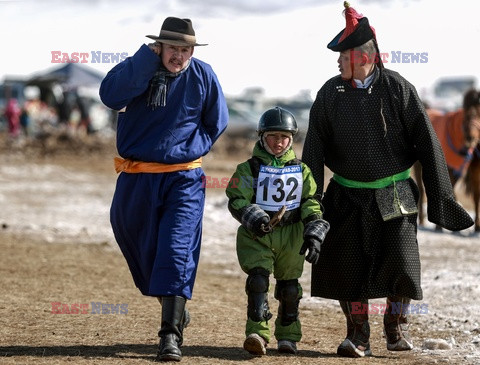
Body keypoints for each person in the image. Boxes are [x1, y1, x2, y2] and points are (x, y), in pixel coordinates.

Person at [302, 1, 474, 358]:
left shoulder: (399, 88)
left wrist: (442, 198)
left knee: (403, 263)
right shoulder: (329, 94)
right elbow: (314, 152)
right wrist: (311, 203)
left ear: (363, 57)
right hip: (346, 196)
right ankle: (358, 334)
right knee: (349, 268)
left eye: (343, 56)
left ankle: (395, 326)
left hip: (395, 194)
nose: (337, 62)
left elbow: (429, 145)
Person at [99, 17, 228, 362]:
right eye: (174, 49)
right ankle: (173, 304)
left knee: (176, 248)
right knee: (139, 242)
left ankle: (169, 336)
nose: (180, 56)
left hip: (183, 179)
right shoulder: (139, 69)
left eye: (186, 50)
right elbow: (109, 95)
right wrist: (145, 59)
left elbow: (217, 122)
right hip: (137, 176)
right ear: (159, 46)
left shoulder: (203, 76)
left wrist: (186, 149)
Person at [225, 107, 330, 356]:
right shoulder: (248, 169)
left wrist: (314, 232)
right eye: (273, 136)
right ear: (262, 137)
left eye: (284, 137)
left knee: (290, 289)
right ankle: (257, 333)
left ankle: (288, 335)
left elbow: (310, 202)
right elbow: (236, 199)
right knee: (258, 281)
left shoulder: (302, 170)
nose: (278, 143)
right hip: (258, 234)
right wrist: (253, 216)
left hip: (291, 234)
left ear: (291, 139)